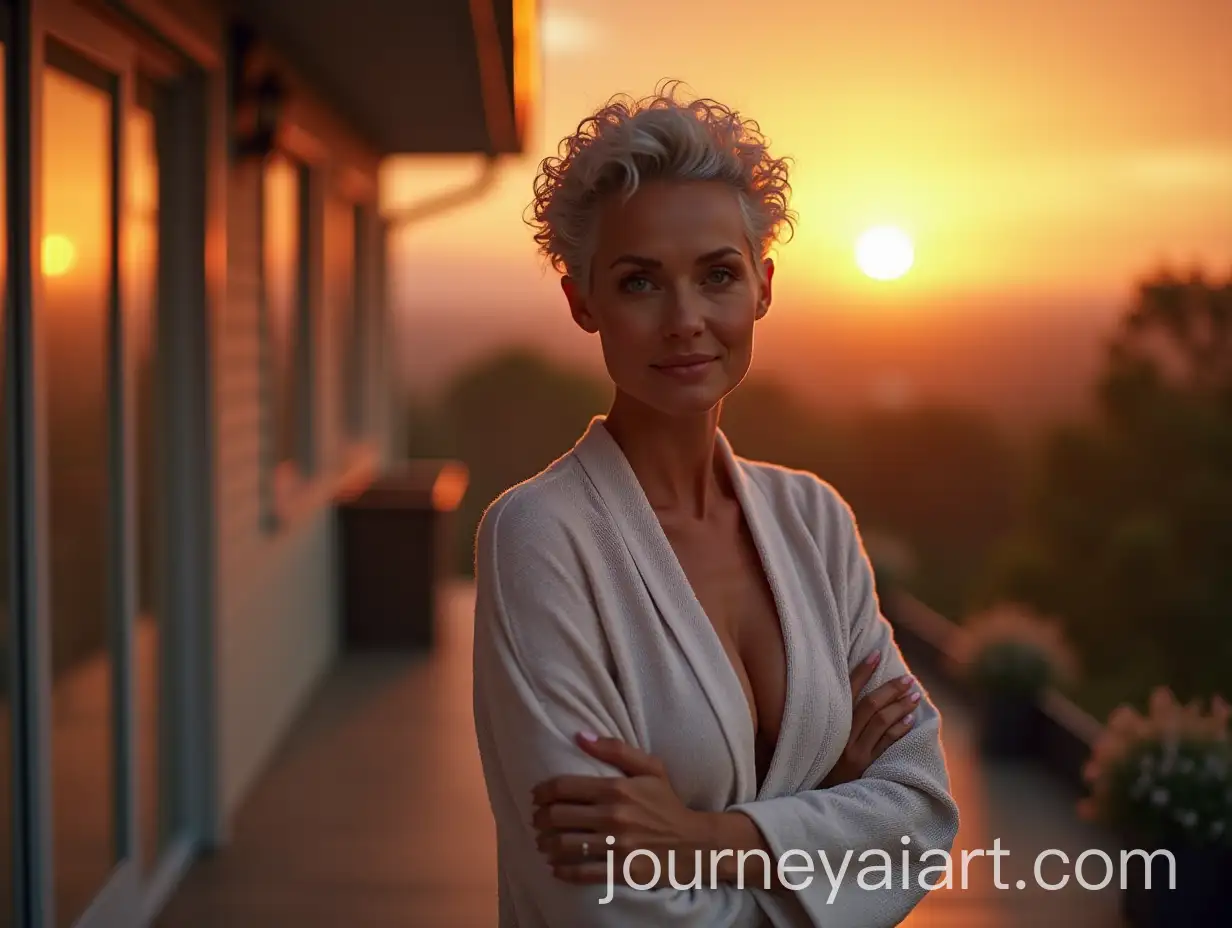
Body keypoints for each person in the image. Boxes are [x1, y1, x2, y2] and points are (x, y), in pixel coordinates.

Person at [471, 81, 959, 927]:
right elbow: (600, 901)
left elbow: (919, 813)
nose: (686, 319)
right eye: (640, 283)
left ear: (762, 287)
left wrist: (705, 837)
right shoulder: (541, 537)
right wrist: (831, 804)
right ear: (582, 301)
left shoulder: (815, 521)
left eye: (718, 275)